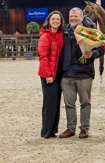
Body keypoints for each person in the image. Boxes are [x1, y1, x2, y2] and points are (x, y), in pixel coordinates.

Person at [59, 7, 105, 139]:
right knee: (69, 103)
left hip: (84, 73)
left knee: (85, 102)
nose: (73, 19)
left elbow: (101, 49)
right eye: (71, 17)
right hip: (67, 73)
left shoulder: (90, 31)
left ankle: (84, 128)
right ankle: (70, 128)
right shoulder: (64, 31)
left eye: (76, 17)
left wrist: (93, 53)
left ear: (82, 18)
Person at [37, 10, 65, 139]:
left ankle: (53, 130)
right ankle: (46, 131)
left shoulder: (60, 34)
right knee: (49, 102)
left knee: (56, 101)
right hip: (48, 73)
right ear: (49, 20)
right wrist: (48, 74)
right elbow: (43, 56)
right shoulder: (45, 36)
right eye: (53, 19)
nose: (55, 21)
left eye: (58, 19)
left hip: (58, 71)